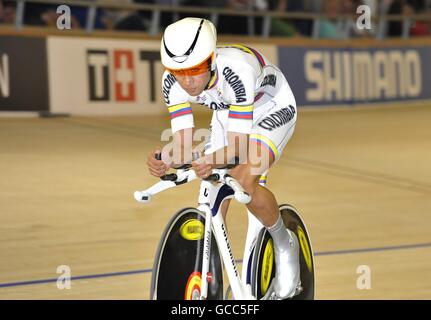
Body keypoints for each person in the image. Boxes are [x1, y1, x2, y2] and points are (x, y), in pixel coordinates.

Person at [147, 17, 300, 299]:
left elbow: (238, 150)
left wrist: (210, 160)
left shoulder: (236, 71)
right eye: (178, 71)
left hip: (271, 107)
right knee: (212, 190)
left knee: (243, 179)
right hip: (230, 113)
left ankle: (283, 242)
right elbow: (182, 145)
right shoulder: (173, 80)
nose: (187, 80)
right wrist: (166, 158)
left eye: (194, 70)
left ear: (210, 60)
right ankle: (214, 275)